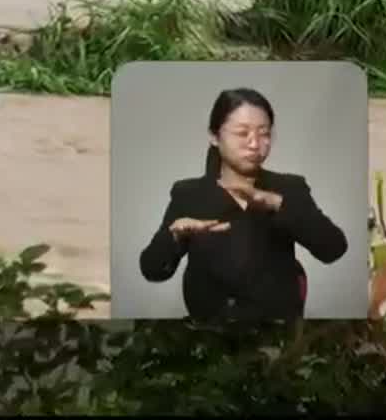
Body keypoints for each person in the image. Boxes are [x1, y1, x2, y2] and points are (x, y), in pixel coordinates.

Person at [138, 87, 349, 319]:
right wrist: (174, 236)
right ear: (214, 137)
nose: (254, 144)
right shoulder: (188, 193)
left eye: (264, 133)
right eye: (242, 133)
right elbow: (152, 270)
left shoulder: (289, 188)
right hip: (207, 333)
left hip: (276, 333)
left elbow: (333, 248)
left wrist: (276, 203)